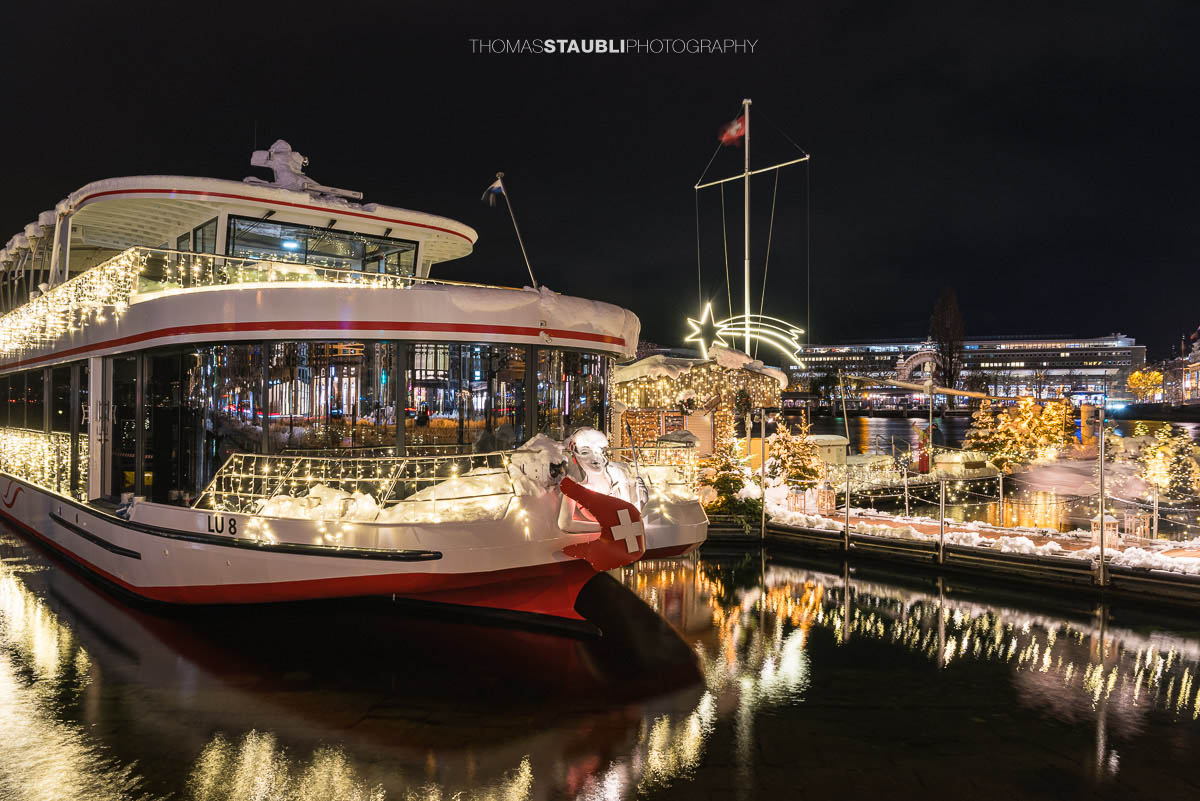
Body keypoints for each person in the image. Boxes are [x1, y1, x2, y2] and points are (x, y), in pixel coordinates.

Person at [563, 427, 647, 509]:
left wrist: (642, 500)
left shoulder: (617, 475)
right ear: (575, 456)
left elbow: (629, 512)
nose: (595, 458)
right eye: (585, 452)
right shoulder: (574, 485)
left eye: (599, 452)